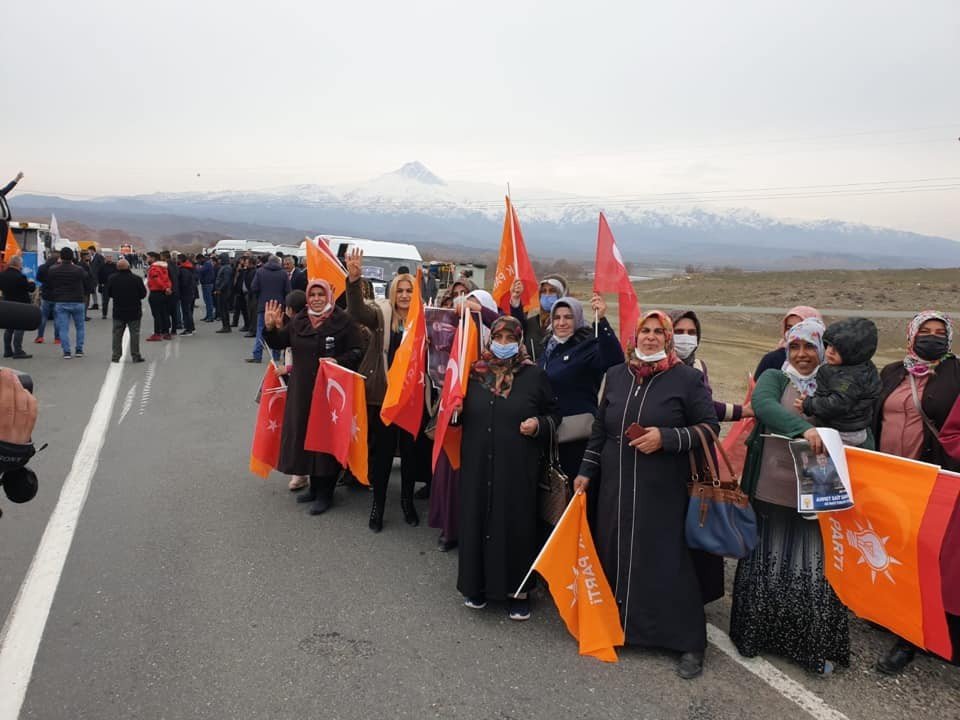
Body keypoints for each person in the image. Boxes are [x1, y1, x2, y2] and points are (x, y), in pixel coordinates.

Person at [572, 310, 720, 679]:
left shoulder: (687, 378)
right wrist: (586, 472)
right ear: (634, 335)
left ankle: (688, 643)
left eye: (658, 332)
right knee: (616, 555)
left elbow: (709, 427)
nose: (650, 337)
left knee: (668, 564)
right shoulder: (617, 375)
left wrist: (666, 438)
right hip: (615, 489)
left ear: (668, 339)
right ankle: (619, 628)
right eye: (644, 330)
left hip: (664, 492)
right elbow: (600, 431)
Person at [730, 317, 850, 676]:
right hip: (770, 485)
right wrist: (804, 429)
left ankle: (810, 647)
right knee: (766, 559)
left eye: (809, 347)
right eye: (794, 347)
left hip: (818, 488)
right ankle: (755, 637)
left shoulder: (834, 383)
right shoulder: (775, 377)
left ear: (821, 349)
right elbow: (765, 406)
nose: (801, 354)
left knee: (811, 564)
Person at [873, 310, 960, 674]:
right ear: (911, 335)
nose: (933, 337)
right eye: (925, 331)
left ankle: (912, 638)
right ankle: (889, 614)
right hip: (888, 476)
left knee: (925, 556)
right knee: (894, 548)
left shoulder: (957, 373)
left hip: (932, 479)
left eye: (940, 332)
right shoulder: (892, 372)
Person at [457, 315, 560, 620]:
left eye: (509, 339)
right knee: (477, 520)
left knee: (515, 525)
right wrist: (455, 411)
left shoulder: (533, 375)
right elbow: (455, 414)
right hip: (477, 463)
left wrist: (539, 424)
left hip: (517, 466)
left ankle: (519, 591)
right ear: (490, 340)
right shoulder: (474, 373)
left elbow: (555, 415)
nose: (503, 345)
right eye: (498, 338)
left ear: (519, 341)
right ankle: (476, 586)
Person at [345, 248, 431, 532]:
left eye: (410, 290)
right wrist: (354, 280)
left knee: (409, 456)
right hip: (383, 398)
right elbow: (357, 311)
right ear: (393, 292)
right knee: (381, 456)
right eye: (400, 290)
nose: (405, 295)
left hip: (411, 400)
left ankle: (407, 502)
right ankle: (378, 506)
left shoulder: (423, 322)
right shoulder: (381, 316)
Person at [263, 280, 365, 515]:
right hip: (301, 392)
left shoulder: (343, 321)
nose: (317, 298)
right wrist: (270, 329)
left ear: (329, 296)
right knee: (305, 438)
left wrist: (338, 361)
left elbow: (358, 351)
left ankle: (325, 493)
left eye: (321, 294)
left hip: (330, 394)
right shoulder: (299, 321)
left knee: (325, 441)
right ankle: (314, 486)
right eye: (313, 294)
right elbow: (281, 342)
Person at [538, 294, 623, 485]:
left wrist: (601, 320)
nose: (562, 322)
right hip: (549, 436)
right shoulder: (547, 350)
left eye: (568, 317)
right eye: (557, 317)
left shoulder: (589, 347)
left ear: (577, 318)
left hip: (576, 438)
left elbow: (615, 360)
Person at [799, 317, 881, 448]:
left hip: (843, 432)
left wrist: (809, 404)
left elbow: (837, 403)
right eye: (829, 345)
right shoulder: (859, 366)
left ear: (854, 353)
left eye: (839, 349)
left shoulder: (848, 378)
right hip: (852, 428)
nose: (830, 351)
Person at [670, 310, 751, 422]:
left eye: (692, 332)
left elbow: (705, 406)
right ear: (666, 334)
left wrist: (743, 411)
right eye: (678, 332)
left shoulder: (699, 366)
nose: (685, 337)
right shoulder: (655, 367)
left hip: (695, 436)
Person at [273, 289, 309, 491]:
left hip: (300, 382)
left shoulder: (303, 327)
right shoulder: (289, 325)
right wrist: (275, 329)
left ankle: (301, 473)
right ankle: (300, 472)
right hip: (291, 381)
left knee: (299, 428)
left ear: (288, 309)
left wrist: (286, 368)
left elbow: (308, 358)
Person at [46, 247, 93, 359]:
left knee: (63, 328)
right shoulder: (78, 270)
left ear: (60, 257)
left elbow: (49, 283)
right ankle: (79, 349)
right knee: (80, 327)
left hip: (61, 301)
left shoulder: (53, 269)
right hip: (77, 300)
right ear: (73, 257)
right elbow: (87, 280)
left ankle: (66, 351)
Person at [753, 306, 823, 380]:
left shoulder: (830, 362)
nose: (792, 332)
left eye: (799, 326)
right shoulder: (772, 360)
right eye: (789, 328)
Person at [509, 274, 568, 359]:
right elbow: (517, 326)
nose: (547, 295)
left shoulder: (571, 325)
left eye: (552, 291)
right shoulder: (532, 323)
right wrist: (515, 299)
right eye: (543, 291)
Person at [248, 255, 290, 364]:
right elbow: (288, 290)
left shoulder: (260, 271)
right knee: (277, 330)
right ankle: (275, 355)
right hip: (278, 306)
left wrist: (260, 297)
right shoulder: (283, 273)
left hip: (264, 305)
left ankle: (257, 355)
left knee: (261, 329)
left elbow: (254, 287)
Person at [105, 259, 146, 363]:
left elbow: (108, 293)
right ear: (129, 267)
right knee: (134, 334)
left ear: (117, 268)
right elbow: (143, 294)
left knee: (117, 334)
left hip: (118, 310)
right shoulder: (136, 279)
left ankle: (116, 356)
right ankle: (135, 355)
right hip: (134, 310)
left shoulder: (112, 278)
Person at [0, 256, 36, 359]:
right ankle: (18, 350)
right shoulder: (20, 277)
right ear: (18, 264)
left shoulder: (2, 275)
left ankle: (7, 350)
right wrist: (31, 282)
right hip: (21, 305)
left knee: (9, 327)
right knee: (20, 327)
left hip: (7, 303)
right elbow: (30, 289)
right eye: (21, 263)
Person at [145, 252, 173, 341]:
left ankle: (157, 333)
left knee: (156, 314)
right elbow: (167, 279)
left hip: (156, 292)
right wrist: (168, 288)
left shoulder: (154, 268)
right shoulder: (164, 267)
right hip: (164, 293)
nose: (147, 259)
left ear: (153, 258)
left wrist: (165, 288)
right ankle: (166, 332)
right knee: (164, 313)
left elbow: (156, 279)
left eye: (148, 258)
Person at [34, 251, 60, 344]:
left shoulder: (42, 267)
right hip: (57, 295)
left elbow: (38, 278)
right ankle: (57, 338)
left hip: (46, 294)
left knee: (43, 317)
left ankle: (40, 337)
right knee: (57, 318)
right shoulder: (59, 268)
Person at [214, 256, 234, 334]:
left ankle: (226, 326)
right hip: (223, 291)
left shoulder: (226, 268)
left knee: (224, 309)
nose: (219, 260)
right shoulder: (225, 267)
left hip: (224, 292)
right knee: (222, 309)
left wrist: (220, 289)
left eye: (220, 259)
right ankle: (225, 326)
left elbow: (226, 280)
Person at [177, 255, 197, 336]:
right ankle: (191, 328)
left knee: (186, 312)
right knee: (188, 311)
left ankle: (188, 329)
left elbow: (184, 282)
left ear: (181, 260)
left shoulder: (184, 269)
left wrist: (178, 288)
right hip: (190, 292)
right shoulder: (189, 268)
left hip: (186, 293)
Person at [97, 255, 118, 319]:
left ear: (112, 258)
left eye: (110, 257)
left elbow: (118, 274)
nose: (109, 259)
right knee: (105, 301)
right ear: (105, 259)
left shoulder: (115, 266)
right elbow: (99, 275)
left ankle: (116, 314)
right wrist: (100, 284)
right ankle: (104, 314)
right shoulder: (102, 266)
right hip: (105, 285)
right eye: (107, 257)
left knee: (116, 301)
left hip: (114, 285)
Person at [197, 255, 216, 322]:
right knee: (206, 301)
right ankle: (208, 315)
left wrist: (197, 267)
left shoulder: (207, 264)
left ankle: (210, 317)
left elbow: (201, 271)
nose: (198, 262)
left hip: (208, 284)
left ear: (201, 258)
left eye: (198, 260)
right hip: (205, 284)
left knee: (209, 301)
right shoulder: (206, 264)